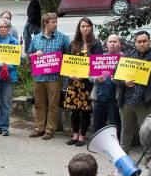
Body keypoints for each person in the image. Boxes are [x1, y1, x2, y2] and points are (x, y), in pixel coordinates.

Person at [116, 31, 151, 152]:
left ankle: (149, 157)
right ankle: (124, 157)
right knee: (126, 130)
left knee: (146, 131)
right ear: (135, 43)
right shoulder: (127, 57)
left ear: (150, 42)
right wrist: (124, 82)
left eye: (144, 41)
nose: (142, 44)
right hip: (126, 101)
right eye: (139, 41)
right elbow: (116, 76)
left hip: (145, 102)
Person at [27, 13, 71, 140]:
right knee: (39, 104)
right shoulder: (36, 38)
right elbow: (29, 55)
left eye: (56, 22)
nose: (55, 24)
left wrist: (60, 60)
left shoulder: (62, 38)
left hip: (54, 78)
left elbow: (68, 56)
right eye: (53, 22)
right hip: (39, 77)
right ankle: (39, 128)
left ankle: (50, 129)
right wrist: (35, 54)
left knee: (53, 105)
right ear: (45, 23)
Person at [64, 17, 102, 146]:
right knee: (74, 110)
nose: (85, 28)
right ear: (79, 28)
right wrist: (70, 74)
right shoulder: (73, 43)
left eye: (87, 26)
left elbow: (97, 64)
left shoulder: (96, 44)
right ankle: (74, 135)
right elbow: (68, 62)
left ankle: (82, 136)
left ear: (91, 28)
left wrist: (84, 76)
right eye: (82, 26)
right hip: (73, 82)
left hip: (87, 83)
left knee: (85, 110)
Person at [90, 34, 122, 135]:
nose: (112, 44)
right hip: (99, 98)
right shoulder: (99, 58)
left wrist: (118, 80)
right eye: (110, 42)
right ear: (106, 44)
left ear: (119, 44)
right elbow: (90, 76)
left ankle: (115, 146)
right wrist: (97, 79)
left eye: (115, 42)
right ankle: (98, 145)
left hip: (115, 99)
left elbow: (128, 78)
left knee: (115, 125)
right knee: (97, 125)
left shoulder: (124, 59)